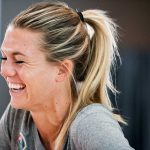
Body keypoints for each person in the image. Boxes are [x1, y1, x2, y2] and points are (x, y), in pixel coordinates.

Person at [0, 1, 134, 150]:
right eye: (4, 58)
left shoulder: (90, 123)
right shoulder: (17, 116)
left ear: (62, 70)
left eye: (19, 61)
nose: (4, 71)